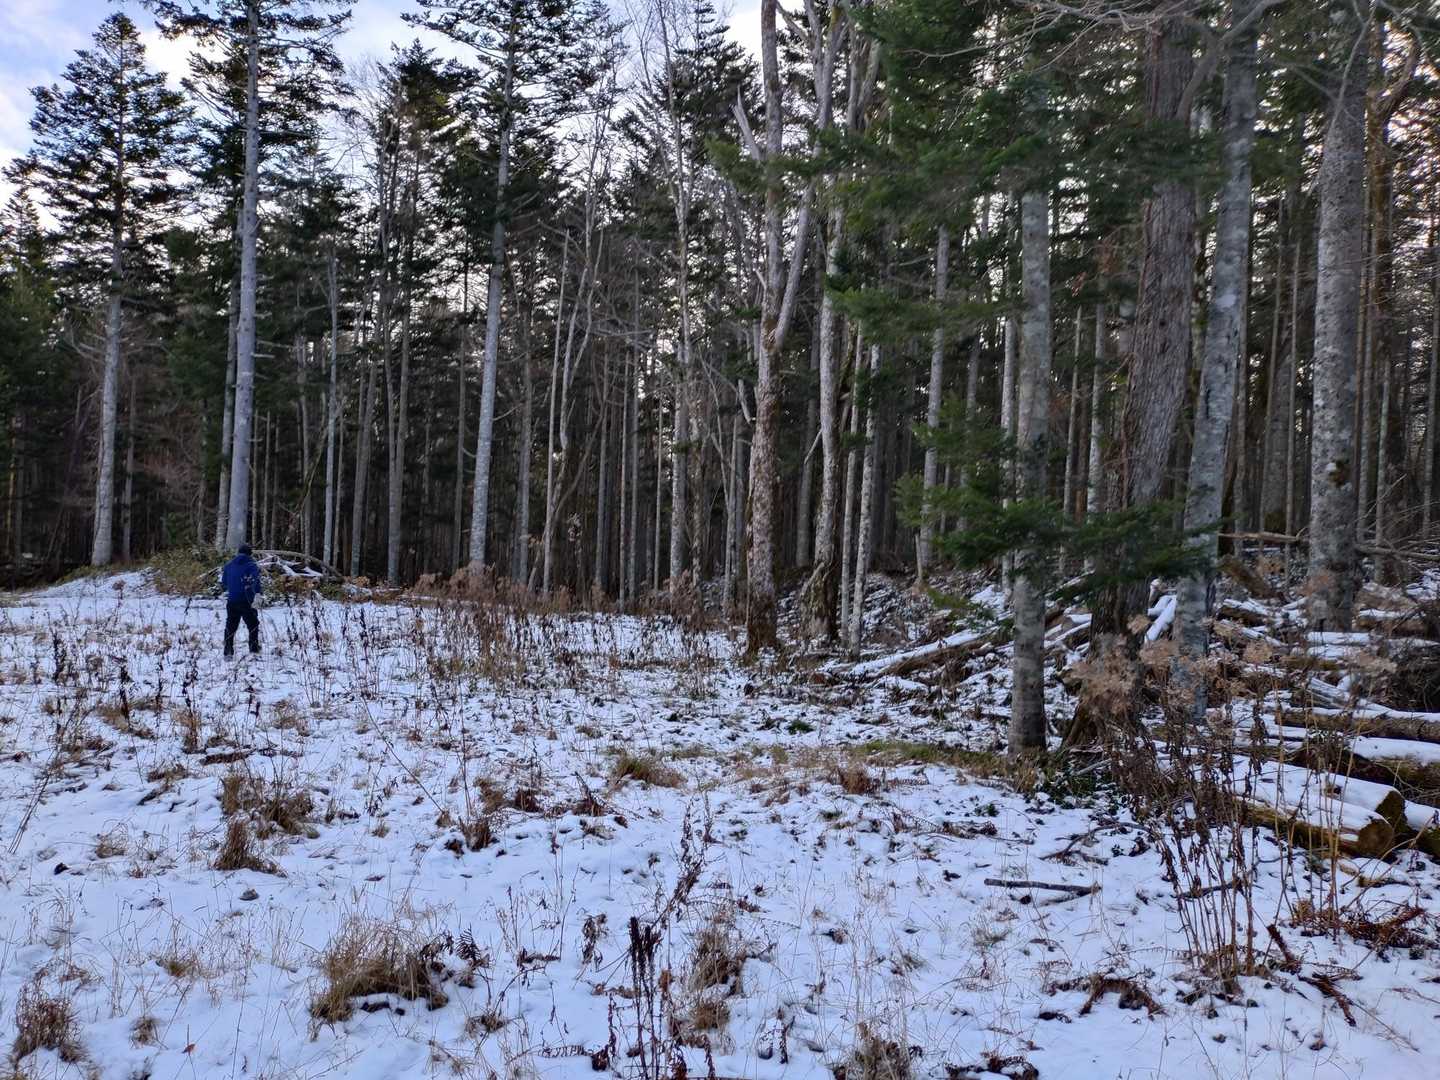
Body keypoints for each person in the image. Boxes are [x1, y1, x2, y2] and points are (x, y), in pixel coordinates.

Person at [221, 543, 263, 658]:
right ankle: (254, 649)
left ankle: (228, 651)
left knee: (231, 626)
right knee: (253, 624)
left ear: (238, 552)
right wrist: (258, 594)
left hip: (232, 600)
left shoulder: (229, 565)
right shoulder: (251, 565)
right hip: (247, 600)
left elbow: (224, 582)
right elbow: (254, 582)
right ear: (250, 554)